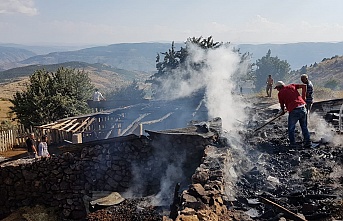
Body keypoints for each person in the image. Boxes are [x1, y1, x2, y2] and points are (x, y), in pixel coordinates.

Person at [274, 81, 311, 148]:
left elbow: (282, 104)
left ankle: (293, 144)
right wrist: (303, 97)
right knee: (304, 126)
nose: (277, 90)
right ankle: (308, 142)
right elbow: (304, 86)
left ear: (279, 87)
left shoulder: (280, 93)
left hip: (294, 111)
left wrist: (282, 111)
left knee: (291, 128)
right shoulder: (292, 86)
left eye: (277, 88)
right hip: (303, 108)